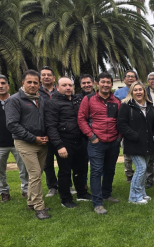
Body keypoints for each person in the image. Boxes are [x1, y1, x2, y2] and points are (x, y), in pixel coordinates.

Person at [5, 70, 50, 220]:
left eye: (35, 82)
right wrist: (33, 138)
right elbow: (12, 124)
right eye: (29, 82)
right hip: (25, 142)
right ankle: (39, 207)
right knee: (35, 174)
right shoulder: (15, 100)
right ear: (23, 83)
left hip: (42, 142)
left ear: (39, 84)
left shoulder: (40, 99)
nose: (32, 85)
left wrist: (45, 137)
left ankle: (31, 202)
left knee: (36, 175)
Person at [44, 77, 92, 208]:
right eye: (64, 85)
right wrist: (59, 146)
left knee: (80, 169)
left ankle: (81, 193)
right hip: (64, 142)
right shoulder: (52, 103)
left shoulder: (77, 100)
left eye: (70, 85)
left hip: (79, 140)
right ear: (57, 87)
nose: (68, 88)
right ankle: (65, 199)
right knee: (65, 172)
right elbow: (51, 127)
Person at [78, 72, 121, 215]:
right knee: (96, 172)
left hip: (113, 142)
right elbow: (81, 119)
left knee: (110, 170)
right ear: (97, 83)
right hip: (96, 142)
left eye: (108, 82)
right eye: (103, 82)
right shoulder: (89, 99)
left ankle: (106, 194)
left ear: (111, 84)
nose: (106, 84)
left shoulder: (116, 101)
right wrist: (91, 136)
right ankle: (97, 203)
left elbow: (120, 121)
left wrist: (119, 137)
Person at [117, 82, 154, 205]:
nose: (138, 92)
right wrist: (135, 136)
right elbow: (121, 124)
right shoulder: (126, 105)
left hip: (148, 143)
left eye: (140, 89)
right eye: (135, 90)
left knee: (143, 170)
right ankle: (134, 197)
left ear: (144, 91)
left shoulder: (149, 105)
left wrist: (153, 134)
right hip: (134, 143)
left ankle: (141, 194)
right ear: (131, 92)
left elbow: (152, 123)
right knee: (141, 168)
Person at [0, 74, 29, 202]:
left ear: (8, 85)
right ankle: (4, 192)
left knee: (24, 169)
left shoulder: (17, 100)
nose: (0, 86)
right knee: (0, 172)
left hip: (18, 141)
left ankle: (26, 190)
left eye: (3, 83)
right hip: (0, 144)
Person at [38, 66, 61, 197]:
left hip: (60, 133)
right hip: (44, 133)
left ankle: (67, 185)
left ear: (54, 78)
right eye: (43, 75)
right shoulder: (37, 92)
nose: (46, 77)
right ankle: (52, 187)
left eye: (49, 75)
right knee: (48, 163)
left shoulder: (61, 91)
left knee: (64, 161)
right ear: (40, 78)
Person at [114, 70, 138, 184]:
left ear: (136, 79)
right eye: (128, 76)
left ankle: (144, 175)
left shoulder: (140, 91)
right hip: (124, 127)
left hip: (139, 127)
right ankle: (129, 174)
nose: (130, 78)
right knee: (127, 153)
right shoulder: (118, 93)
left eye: (132, 77)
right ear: (124, 79)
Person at [143, 72, 154, 189]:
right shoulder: (143, 92)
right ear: (148, 81)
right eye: (152, 79)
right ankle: (149, 179)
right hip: (148, 129)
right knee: (149, 156)